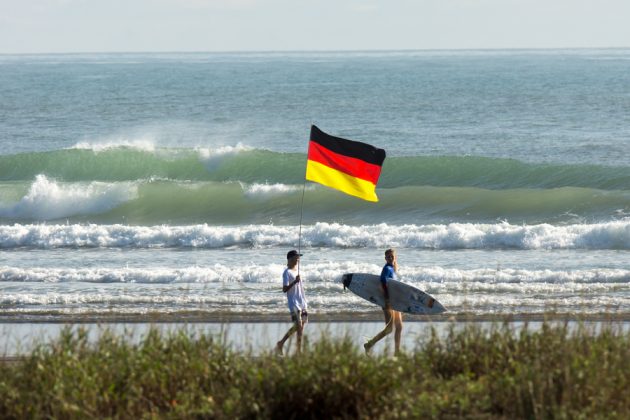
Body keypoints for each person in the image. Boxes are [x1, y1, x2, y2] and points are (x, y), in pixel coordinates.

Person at [364, 248, 403, 355]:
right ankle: (369, 344)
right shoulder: (387, 269)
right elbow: (383, 283)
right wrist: (386, 300)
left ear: (395, 257)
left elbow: (393, 286)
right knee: (389, 329)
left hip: (394, 301)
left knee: (399, 327)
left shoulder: (393, 268)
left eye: (392, 256)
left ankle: (397, 352)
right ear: (385, 258)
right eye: (388, 257)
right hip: (387, 302)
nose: (390, 258)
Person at [276, 249, 308, 355]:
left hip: (302, 303)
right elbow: (284, 289)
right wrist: (295, 281)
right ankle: (298, 352)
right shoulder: (287, 272)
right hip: (294, 303)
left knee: (300, 327)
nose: (298, 258)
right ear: (290, 258)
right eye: (296, 257)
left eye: (299, 257)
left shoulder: (297, 271)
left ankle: (281, 343)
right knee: (298, 326)